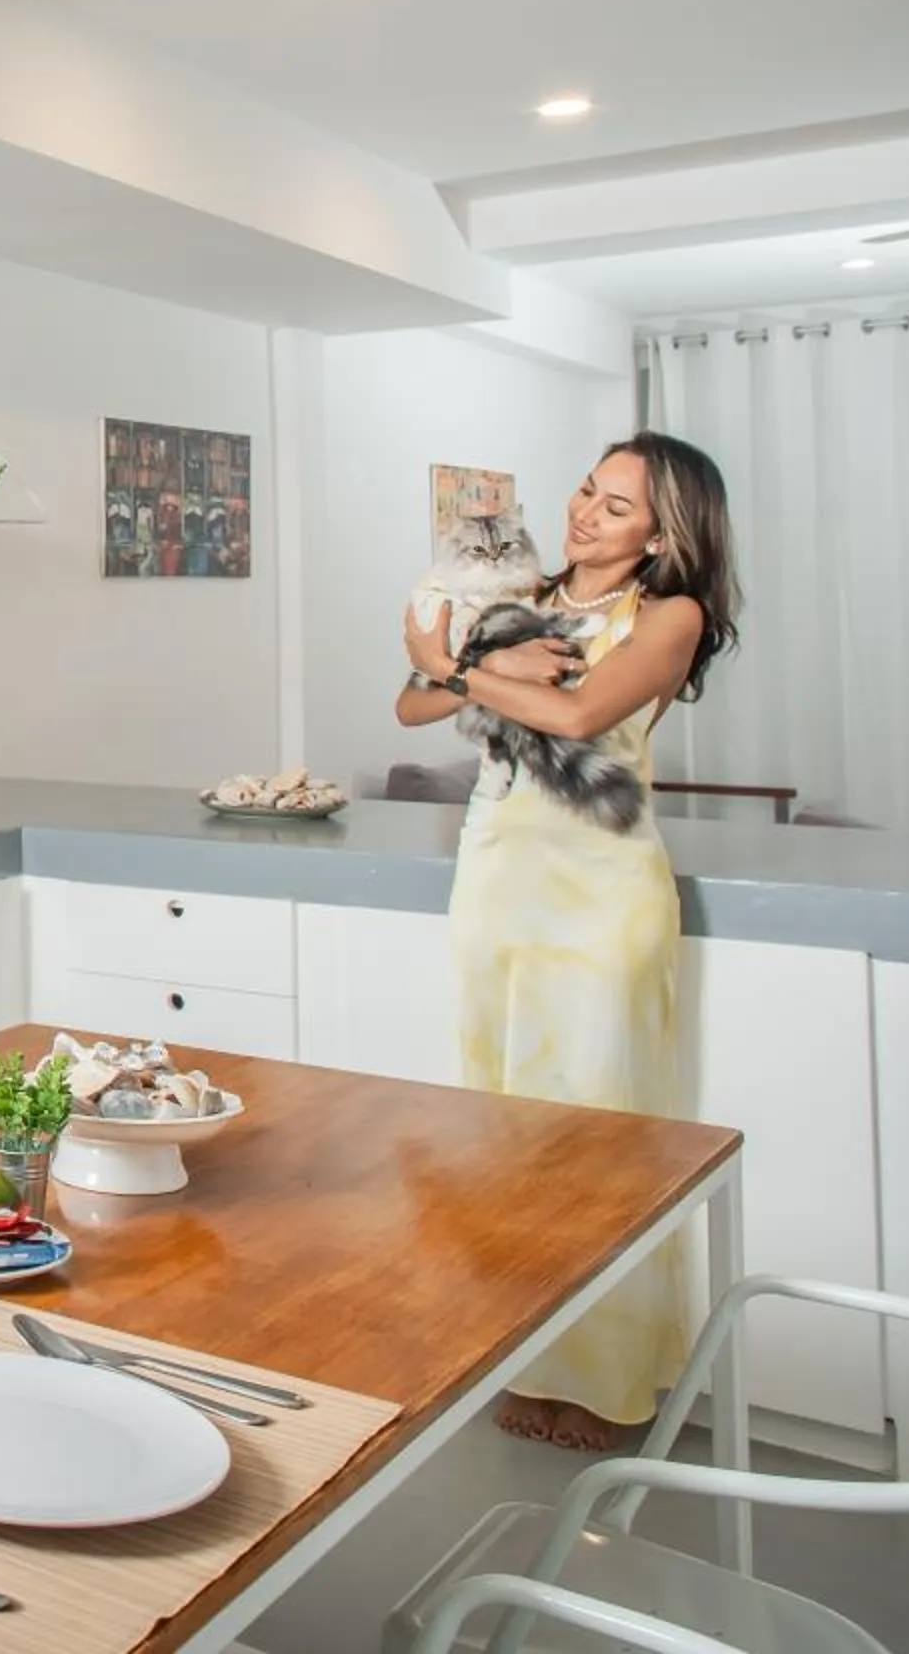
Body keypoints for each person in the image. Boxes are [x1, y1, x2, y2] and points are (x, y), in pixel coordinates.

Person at [397, 433, 741, 1452]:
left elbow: (582, 706)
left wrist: (458, 663)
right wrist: (464, 668)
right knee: (506, 1128)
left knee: (601, 1134)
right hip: (497, 872)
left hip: (600, 885)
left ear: (663, 533)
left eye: (619, 506)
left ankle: (613, 1377)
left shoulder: (671, 616)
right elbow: (410, 701)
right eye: (588, 490)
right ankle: (531, 1357)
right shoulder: (524, 587)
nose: (588, 513)